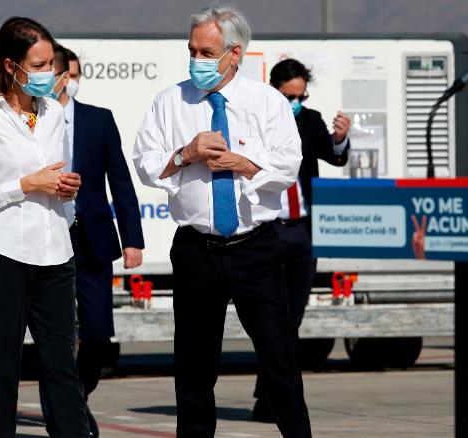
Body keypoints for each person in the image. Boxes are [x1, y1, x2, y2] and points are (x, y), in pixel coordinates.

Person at [134, 5, 311, 437]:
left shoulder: (267, 103)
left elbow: (289, 164)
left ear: (235, 54)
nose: (196, 60)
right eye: (192, 50)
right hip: (197, 250)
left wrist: (245, 164)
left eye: (206, 52)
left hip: (255, 248)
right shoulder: (170, 102)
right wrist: (186, 154)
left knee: (279, 359)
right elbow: (145, 164)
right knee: (194, 368)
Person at [0, 17, 89, 437]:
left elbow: (56, 180)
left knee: (62, 366)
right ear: (11, 66)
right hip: (1, 257)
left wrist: (66, 191)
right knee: (1, 370)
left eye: (53, 64)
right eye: (40, 64)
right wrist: (26, 185)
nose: (50, 73)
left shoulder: (55, 114)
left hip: (55, 253)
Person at [43, 43, 145, 437]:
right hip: (48, 237)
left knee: (99, 337)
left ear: (69, 77)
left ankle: (74, 399)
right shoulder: (29, 121)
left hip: (92, 240)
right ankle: (65, 418)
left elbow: (120, 180)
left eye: (65, 73)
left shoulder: (98, 120)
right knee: (56, 339)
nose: (61, 80)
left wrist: (132, 238)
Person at [252, 58, 351, 422]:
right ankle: (272, 397)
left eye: (301, 95)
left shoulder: (310, 120)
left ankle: (270, 395)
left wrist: (340, 138)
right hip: (269, 228)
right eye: (289, 95)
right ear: (275, 90)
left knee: (292, 318)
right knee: (271, 318)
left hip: (302, 231)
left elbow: (334, 156)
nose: (296, 101)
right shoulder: (257, 118)